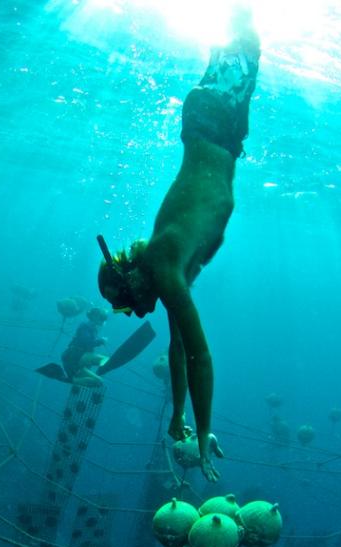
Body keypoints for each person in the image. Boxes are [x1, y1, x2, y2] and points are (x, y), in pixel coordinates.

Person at [96, 10, 260, 482]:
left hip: (213, 123)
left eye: (127, 303)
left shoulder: (165, 265)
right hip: (221, 132)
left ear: (131, 279)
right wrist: (178, 417)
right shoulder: (165, 274)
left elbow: (199, 357)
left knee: (245, 31)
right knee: (243, 36)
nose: (137, 312)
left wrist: (203, 435)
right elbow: (178, 347)